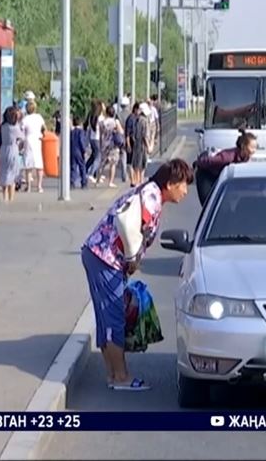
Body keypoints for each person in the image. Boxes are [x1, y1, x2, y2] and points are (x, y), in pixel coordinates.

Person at [81, 159, 194, 390]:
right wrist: (133, 259)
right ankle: (121, 377)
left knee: (106, 318)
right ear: (171, 184)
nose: (186, 191)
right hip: (106, 259)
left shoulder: (146, 190)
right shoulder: (152, 198)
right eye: (184, 184)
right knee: (114, 318)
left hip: (97, 254)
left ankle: (113, 374)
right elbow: (129, 228)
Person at [193, 129, 257, 205]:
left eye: (255, 147)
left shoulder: (246, 157)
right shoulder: (227, 157)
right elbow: (208, 161)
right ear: (243, 146)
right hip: (206, 174)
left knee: (224, 204)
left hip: (219, 176)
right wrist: (197, 163)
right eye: (252, 147)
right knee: (208, 203)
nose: (254, 150)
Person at [0, 106, 25, 202]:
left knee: (4, 174)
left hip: (3, 150)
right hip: (13, 150)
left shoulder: (2, 127)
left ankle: (4, 198)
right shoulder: (15, 128)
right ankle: (11, 198)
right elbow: (23, 137)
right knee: (12, 176)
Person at [95, 106, 125, 188]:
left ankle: (97, 181)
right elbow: (121, 132)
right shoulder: (115, 122)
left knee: (102, 164)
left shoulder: (102, 122)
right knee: (113, 164)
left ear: (106, 113)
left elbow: (101, 134)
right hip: (113, 145)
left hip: (104, 144)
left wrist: (101, 143)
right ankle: (110, 182)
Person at [20, 100, 46, 193]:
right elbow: (43, 128)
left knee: (28, 165)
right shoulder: (39, 117)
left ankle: (29, 187)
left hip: (28, 140)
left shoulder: (25, 119)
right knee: (39, 164)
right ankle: (39, 186)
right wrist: (43, 135)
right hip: (37, 140)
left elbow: (21, 130)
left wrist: (20, 143)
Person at [132, 103, 153, 186]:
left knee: (137, 163)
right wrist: (148, 147)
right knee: (142, 163)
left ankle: (138, 180)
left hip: (137, 144)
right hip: (142, 145)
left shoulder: (137, 119)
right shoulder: (144, 120)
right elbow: (145, 135)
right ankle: (140, 181)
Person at [85, 100, 105, 181]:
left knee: (93, 156)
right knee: (98, 157)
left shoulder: (91, 115)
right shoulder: (100, 118)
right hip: (98, 139)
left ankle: (87, 171)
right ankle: (91, 173)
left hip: (92, 138)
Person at [70, 117, 89, 189]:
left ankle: (72, 182)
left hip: (72, 151)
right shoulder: (81, 132)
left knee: (73, 167)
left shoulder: (71, 132)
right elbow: (81, 141)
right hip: (79, 151)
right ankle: (83, 182)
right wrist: (84, 150)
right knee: (82, 166)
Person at [124, 102, 140, 186]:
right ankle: (132, 180)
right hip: (131, 142)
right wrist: (128, 144)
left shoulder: (137, 118)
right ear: (135, 109)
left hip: (136, 143)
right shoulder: (130, 119)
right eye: (139, 110)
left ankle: (135, 179)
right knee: (130, 162)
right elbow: (127, 133)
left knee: (135, 162)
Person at [117, 96, 132, 183]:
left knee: (123, 156)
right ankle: (131, 174)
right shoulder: (130, 114)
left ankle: (124, 175)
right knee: (130, 157)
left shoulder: (118, 114)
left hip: (121, 136)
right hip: (129, 137)